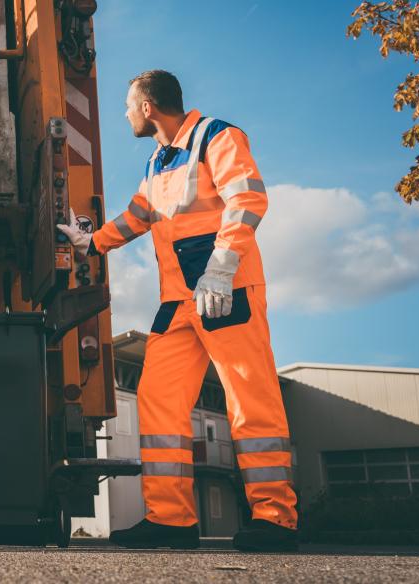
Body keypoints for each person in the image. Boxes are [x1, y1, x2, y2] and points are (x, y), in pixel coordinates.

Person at [58, 70, 298, 552]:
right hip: (180, 303)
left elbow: (247, 198)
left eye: (128, 106)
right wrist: (92, 243)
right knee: (157, 397)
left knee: (250, 400)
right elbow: (139, 217)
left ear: (148, 107)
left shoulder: (217, 136)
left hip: (226, 292)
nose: (125, 113)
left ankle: (275, 518)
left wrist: (222, 268)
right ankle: (171, 519)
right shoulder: (157, 164)